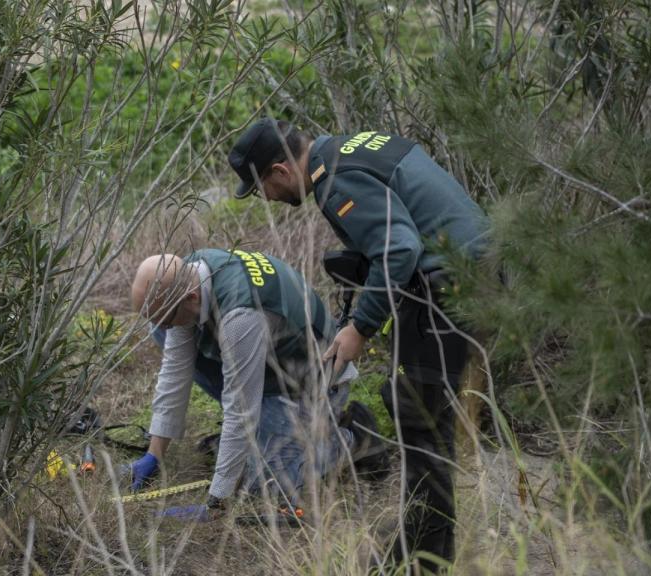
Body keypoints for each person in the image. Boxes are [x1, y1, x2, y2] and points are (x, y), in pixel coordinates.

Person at [228, 119, 489, 570]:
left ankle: (423, 562)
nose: (268, 200)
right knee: (427, 419)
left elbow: (398, 249)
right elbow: (390, 241)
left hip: (450, 288)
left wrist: (361, 327)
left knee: (421, 421)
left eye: (261, 189)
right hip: (473, 276)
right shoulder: (352, 149)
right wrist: (353, 317)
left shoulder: (334, 179)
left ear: (279, 170)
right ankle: (420, 547)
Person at [127, 248, 387, 519]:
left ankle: (353, 440)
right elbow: (175, 371)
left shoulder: (240, 316)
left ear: (191, 297)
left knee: (264, 485)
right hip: (268, 366)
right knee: (162, 333)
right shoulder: (190, 271)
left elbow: (240, 410)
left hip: (311, 382)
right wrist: (154, 455)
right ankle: (261, 435)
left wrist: (217, 502)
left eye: (166, 318)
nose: (163, 326)